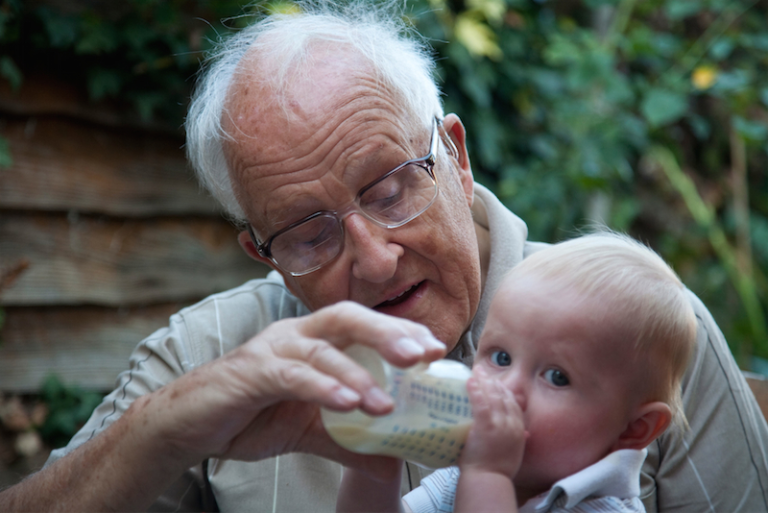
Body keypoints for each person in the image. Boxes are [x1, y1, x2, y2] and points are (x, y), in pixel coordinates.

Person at [1, 2, 766, 512]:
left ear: (456, 159)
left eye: (392, 186)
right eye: (307, 232)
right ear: (260, 251)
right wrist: (166, 428)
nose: (371, 260)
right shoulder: (212, 352)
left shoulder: (634, 331)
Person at [337, 232, 697, 513]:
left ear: (634, 430)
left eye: (557, 377)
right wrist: (375, 458)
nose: (508, 389)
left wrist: (486, 477)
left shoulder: (600, 507)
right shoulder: (464, 474)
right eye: (501, 357)